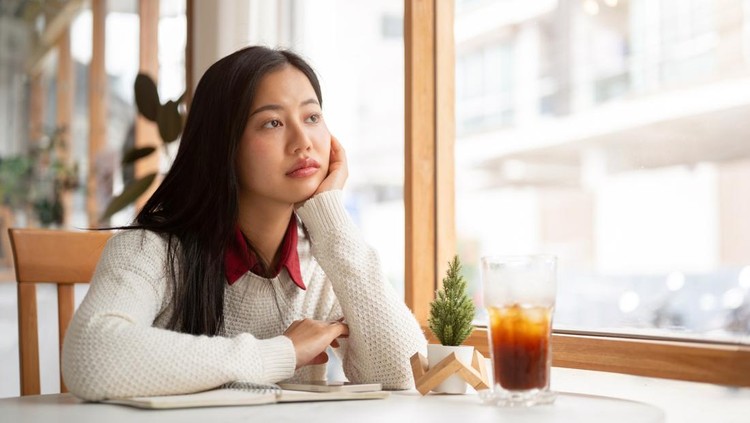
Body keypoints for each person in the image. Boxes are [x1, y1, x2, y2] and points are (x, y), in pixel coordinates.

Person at [61, 46, 427, 401]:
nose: (303, 142)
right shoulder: (152, 251)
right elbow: (92, 355)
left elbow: (407, 376)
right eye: (273, 122)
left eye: (312, 117)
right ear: (224, 144)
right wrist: (282, 353)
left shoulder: (326, 258)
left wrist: (331, 216)